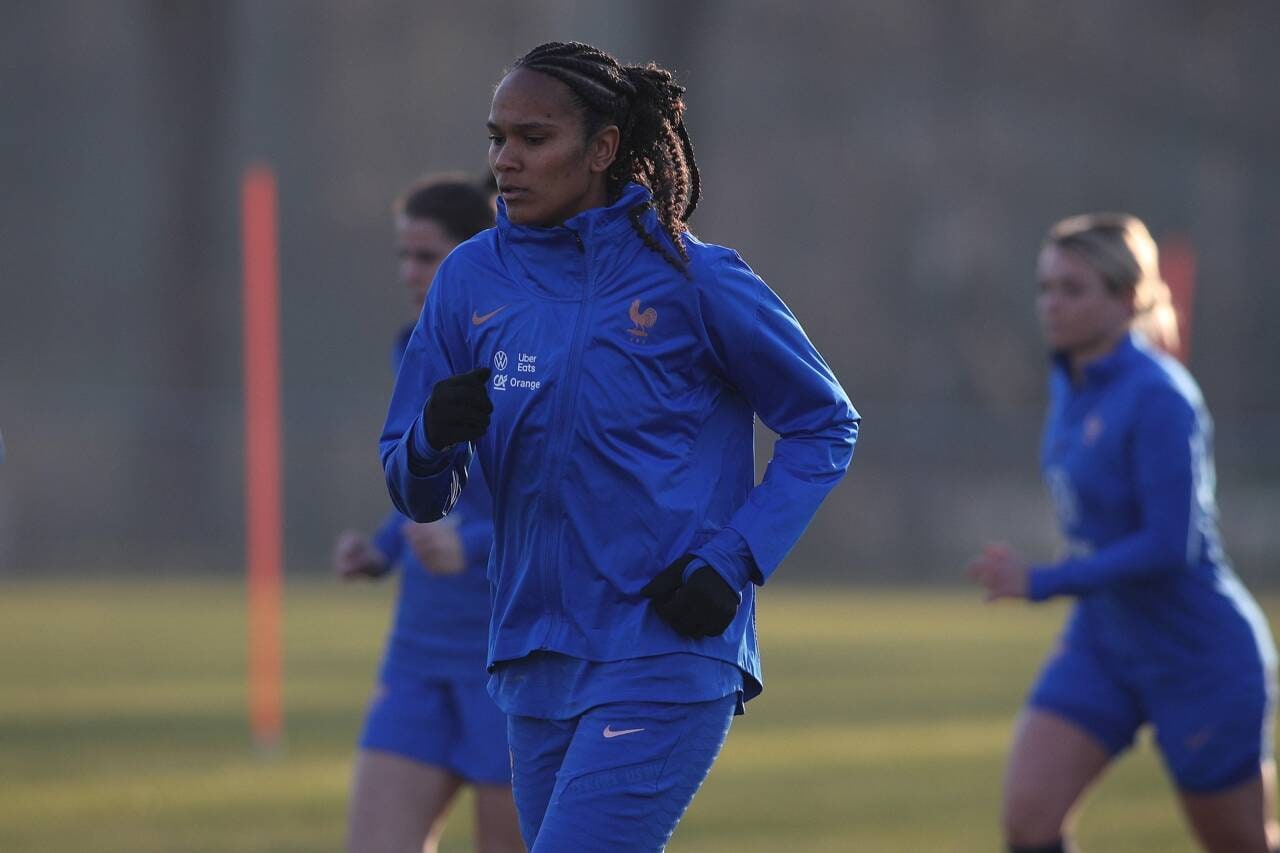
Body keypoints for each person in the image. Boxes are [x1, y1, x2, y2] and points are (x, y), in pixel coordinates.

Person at [379, 41, 859, 852]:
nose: (506, 160)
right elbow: (414, 483)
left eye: (534, 139)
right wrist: (431, 438)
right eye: (497, 138)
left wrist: (735, 558)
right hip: (532, 654)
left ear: (603, 148)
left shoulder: (694, 278)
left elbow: (824, 423)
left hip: (665, 647)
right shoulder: (469, 281)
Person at [967, 213, 1278, 853]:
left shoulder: (1161, 395)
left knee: (1239, 844)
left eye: (1073, 289)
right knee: (1029, 824)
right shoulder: (1068, 380)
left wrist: (1044, 580)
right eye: (1045, 287)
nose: (1052, 304)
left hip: (1195, 653)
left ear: (1128, 297)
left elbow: (1171, 545)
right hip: (1104, 642)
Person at [336, 174, 522, 853]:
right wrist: (383, 550)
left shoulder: (523, 357)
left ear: (472, 258)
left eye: (427, 256)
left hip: (509, 658)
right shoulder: (415, 347)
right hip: (418, 652)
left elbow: (564, 512)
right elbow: (427, 487)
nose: (410, 273)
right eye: (402, 255)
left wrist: (470, 546)